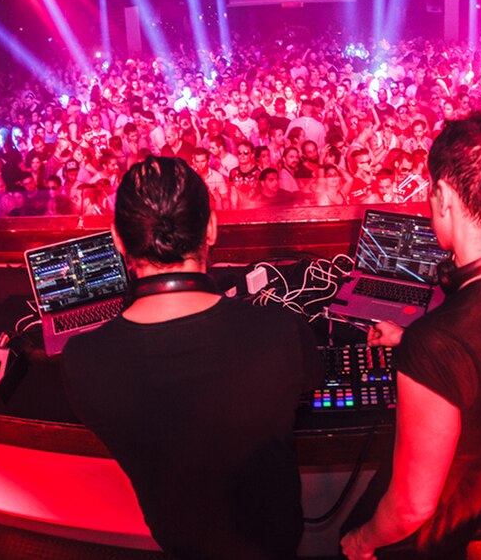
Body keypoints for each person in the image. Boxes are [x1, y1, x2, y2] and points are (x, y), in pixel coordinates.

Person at [62, 156, 321, 559]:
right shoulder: (280, 330)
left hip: (179, 541)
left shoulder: (83, 360)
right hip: (275, 540)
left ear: (117, 239)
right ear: (212, 228)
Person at [341, 113, 481, 559]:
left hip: (425, 536)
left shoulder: (438, 346)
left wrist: (360, 542)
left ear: (444, 196)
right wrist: (409, 340)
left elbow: (411, 507)